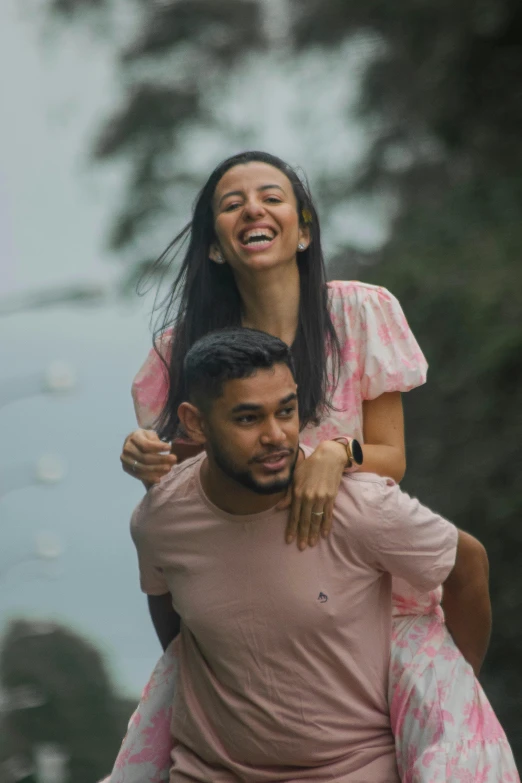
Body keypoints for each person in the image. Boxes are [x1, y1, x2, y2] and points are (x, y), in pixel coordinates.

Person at [112, 152, 519, 781]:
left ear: (302, 229)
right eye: (231, 202)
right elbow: (191, 480)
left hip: (370, 582)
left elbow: (393, 459)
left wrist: (334, 453)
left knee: (459, 751)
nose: (252, 208)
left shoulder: (359, 311)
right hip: (251, 587)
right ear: (215, 246)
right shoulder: (180, 349)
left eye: (272, 196)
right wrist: (144, 455)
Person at [128, 328, 499, 782]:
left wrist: (457, 687)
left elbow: (468, 566)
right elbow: (170, 614)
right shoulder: (161, 518)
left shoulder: (359, 508)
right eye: (248, 419)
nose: (275, 435)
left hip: (352, 769)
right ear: (196, 423)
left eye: (286, 411)